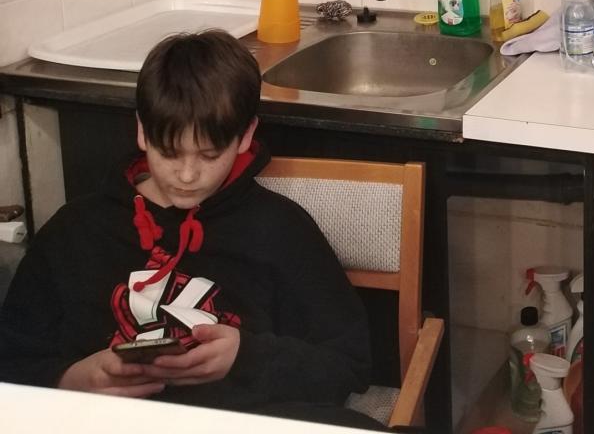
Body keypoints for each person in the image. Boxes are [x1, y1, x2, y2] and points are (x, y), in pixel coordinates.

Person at [0, 30, 374, 424]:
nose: (187, 174)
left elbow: (347, 364)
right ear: (142, 130)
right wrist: (72, 379)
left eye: (209, 155)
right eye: (169, 152)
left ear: (245, 136)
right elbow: (11, 359)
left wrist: (245, 356)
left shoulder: (281, 229)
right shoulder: (74, 231)